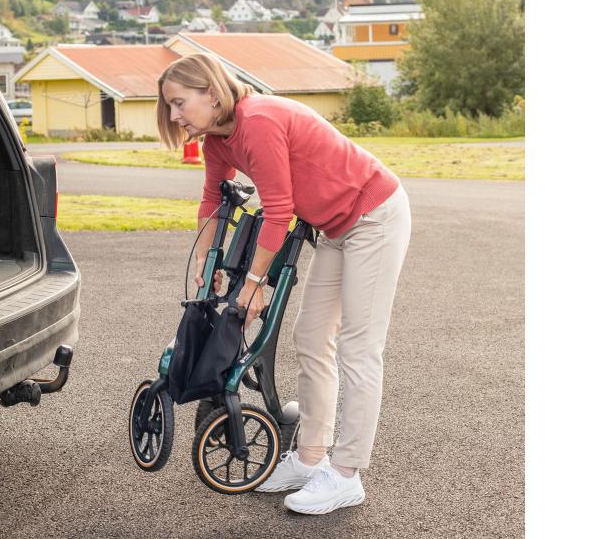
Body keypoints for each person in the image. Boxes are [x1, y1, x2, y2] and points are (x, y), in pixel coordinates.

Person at [156, 53, 412, 514]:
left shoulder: (257, 121)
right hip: (335, 228)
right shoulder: (219, 138)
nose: (173, 116)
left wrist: (254, 283)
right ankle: (310, 458)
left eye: (178, 103)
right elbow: (212, 201)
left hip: (375, 215)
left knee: (359, 346)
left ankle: (347, 474)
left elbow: (278, 210)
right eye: (169, 107)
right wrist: (203, 259)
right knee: (311, 336)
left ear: (211, 95)